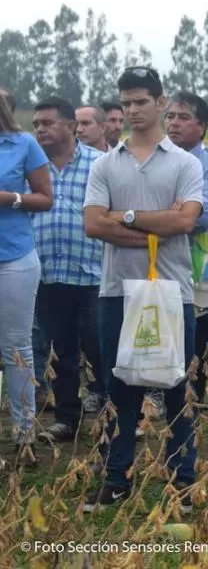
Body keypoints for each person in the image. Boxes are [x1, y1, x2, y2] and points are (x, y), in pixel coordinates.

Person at [82, 66, 203, 513]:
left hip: (171, 292)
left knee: (175, 386)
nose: (132, 110)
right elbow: (93, 223)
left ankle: (182, 482)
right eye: (125, 102)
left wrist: (125, 217)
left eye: (140, 102)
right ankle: (117, 479)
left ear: (160, 102)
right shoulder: (104, 163)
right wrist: (156, 223)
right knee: (119, 387)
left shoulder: (184, 163)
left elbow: (185, 221)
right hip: (117, 291)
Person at [29, 97, 103, 443]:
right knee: (61, 353)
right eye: (36, 124)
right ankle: (67, 418)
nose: (40, 129)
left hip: (93, 273)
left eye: (47, 122)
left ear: (71, 126)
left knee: (101, 348)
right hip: (47, 272)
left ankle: (113, 414)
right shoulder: (31, 166)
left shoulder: (101, 164)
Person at [162, 92, 208, 408]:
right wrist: (173, 211)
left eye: (183, 117)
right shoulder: (154, 162)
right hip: (162, 258)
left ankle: (194, 402)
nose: (174, 123)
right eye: (170, 116)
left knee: (200, 337)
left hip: (204, 265)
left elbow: (197, 218)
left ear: (202, 127)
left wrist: (166, 214)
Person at [0, 86, 53, 463]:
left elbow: (44, 197)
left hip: (13, 258)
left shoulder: (23, 144)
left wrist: (9, 199)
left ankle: (24, 435)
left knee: (16, 347)